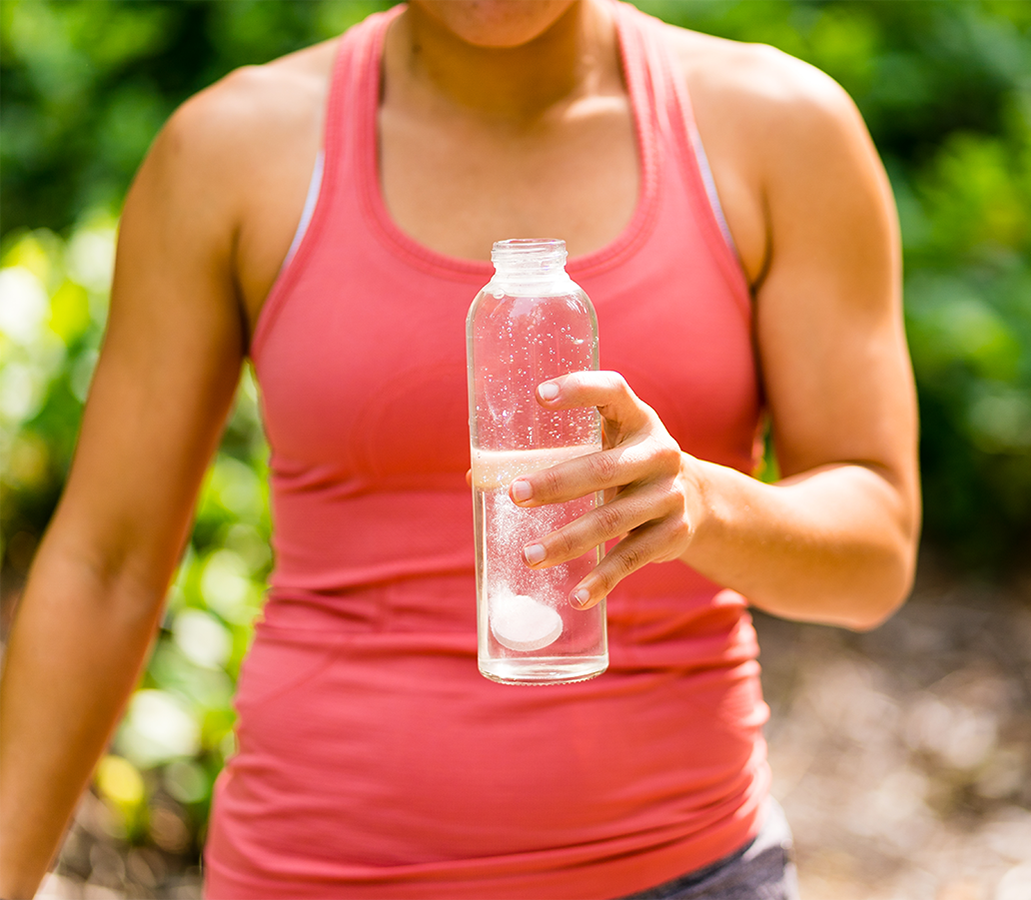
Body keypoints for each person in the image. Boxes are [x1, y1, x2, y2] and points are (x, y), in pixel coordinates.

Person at [0, 0, 920, 897]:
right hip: (312, 873)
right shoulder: (230, 151)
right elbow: (105, 568)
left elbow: (874, 553)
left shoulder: (780, 130)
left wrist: (703, 504)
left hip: (690, 869)